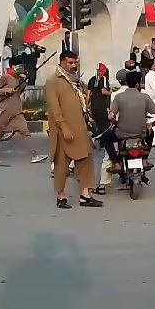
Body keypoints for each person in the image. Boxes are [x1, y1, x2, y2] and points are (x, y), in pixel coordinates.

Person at [45, 51, 103, 209]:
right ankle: (61, 196)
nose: (73, 65)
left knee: (85, 160)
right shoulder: (53, 81)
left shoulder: (75, 81)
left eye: (75, 62)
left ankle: (86, 195)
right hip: (64, 130)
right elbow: (54, 109)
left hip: (80, 128)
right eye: (70, 63)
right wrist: (63, 127)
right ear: (62, 62)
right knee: (62, 164)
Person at [0, 61, 48, 166]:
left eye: (22, 66)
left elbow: (19, 92)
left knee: (24, 131)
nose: (21, 68)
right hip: (5, 110)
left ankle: (34, 155)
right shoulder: (5, 77)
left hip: (16, 110)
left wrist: (24, 80)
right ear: (13, 66)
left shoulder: (18, 78)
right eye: (19, 66)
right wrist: (7, 90)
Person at [99, 70, 155, 173]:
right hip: (141, 132)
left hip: (122, 133)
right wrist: (151, 124)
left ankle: (117, 163)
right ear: (138, 84)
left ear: (126, 83)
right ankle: (145, 160)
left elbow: (110, 117)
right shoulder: (145, 97)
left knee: (105, 138)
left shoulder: (119, 97)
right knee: (151, 134)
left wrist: (116, 123)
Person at [86, 63, 112, 136]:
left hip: (94, 106)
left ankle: (95, 137)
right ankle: (100, 140)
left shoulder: (92, 79)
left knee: (97, 123)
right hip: (102, 106)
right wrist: (110, 93)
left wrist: (86, 105)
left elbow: (88, 94)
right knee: (105, 125)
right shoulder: (103, 79)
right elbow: (103, 91)